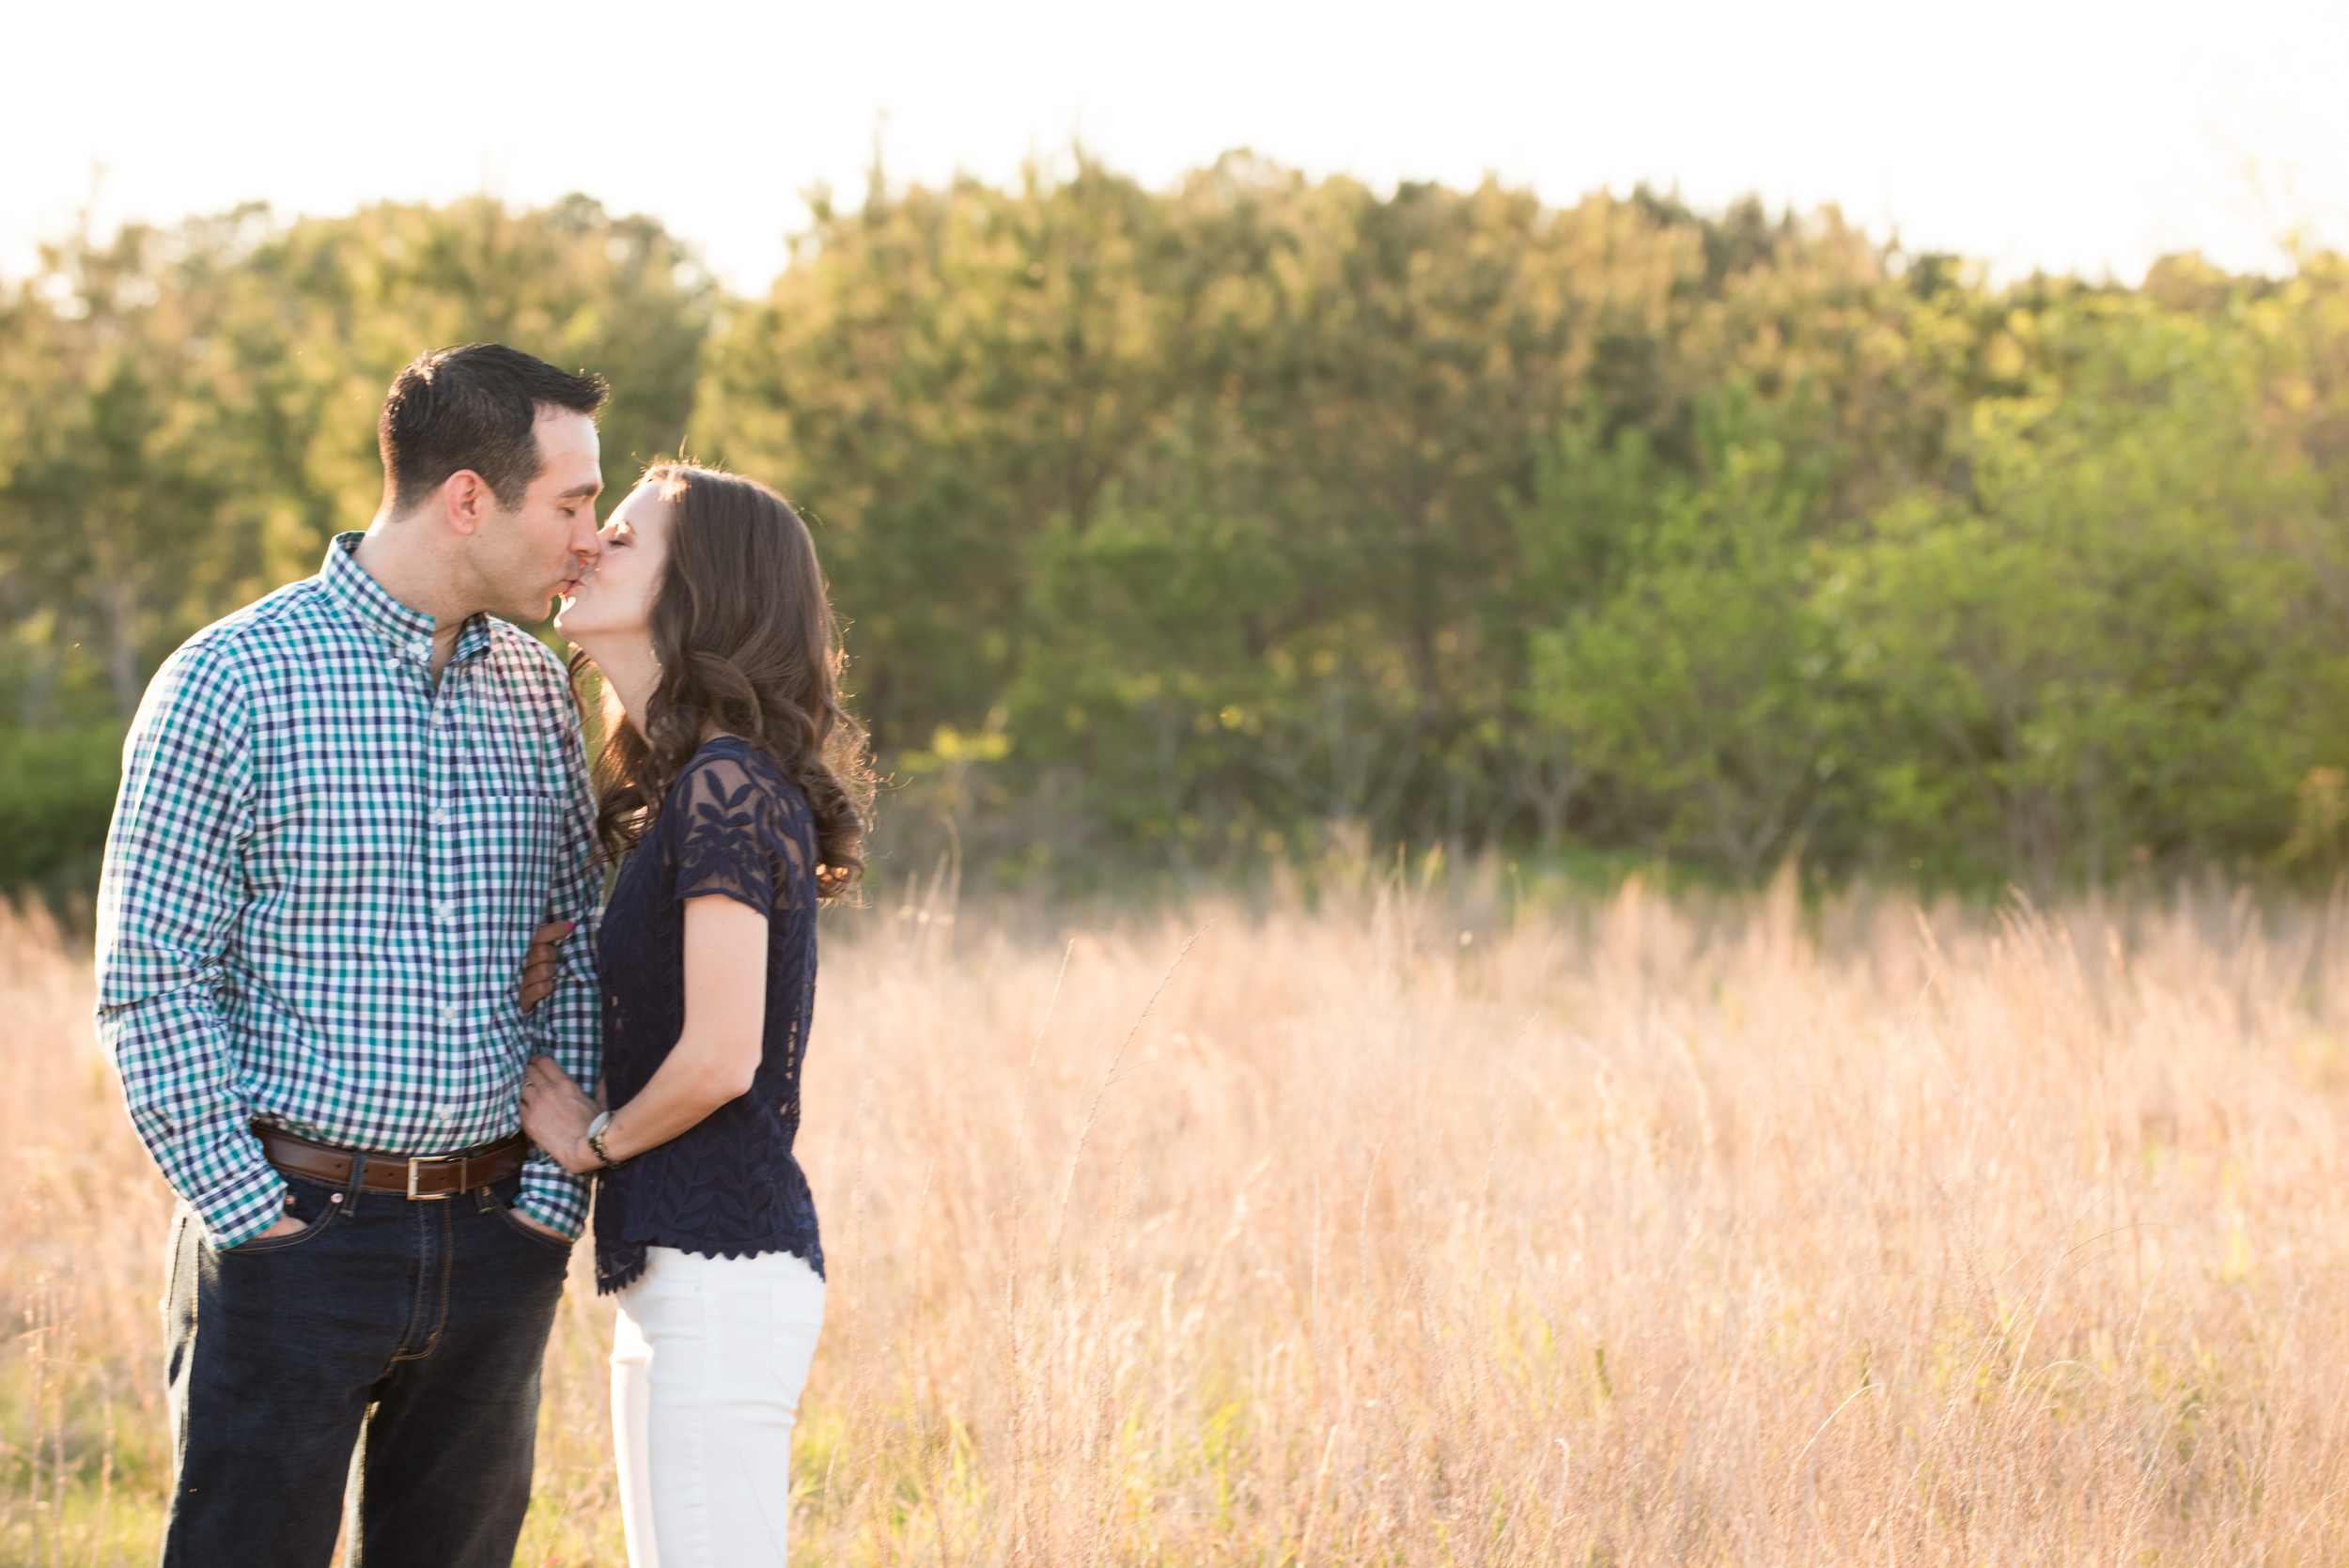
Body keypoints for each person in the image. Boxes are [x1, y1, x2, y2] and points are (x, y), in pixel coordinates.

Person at [95, 342, 610, 1567]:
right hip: (293, 1238)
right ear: (470, 498)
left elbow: (575, 953)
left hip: (495, 1243)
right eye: (573, 503)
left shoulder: (537, 693)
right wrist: (246, 1215)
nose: (591, 536)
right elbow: (148, 974)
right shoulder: (228, 682)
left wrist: (546, 1209)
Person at [519, 460, 868, 1568]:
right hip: (683, 1276)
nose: (584, 546)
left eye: (618, 536)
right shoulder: (697, 787)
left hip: (720, 1276)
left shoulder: (724, 783)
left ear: (698, 587)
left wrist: (592, 1140)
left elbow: (721, 1054)